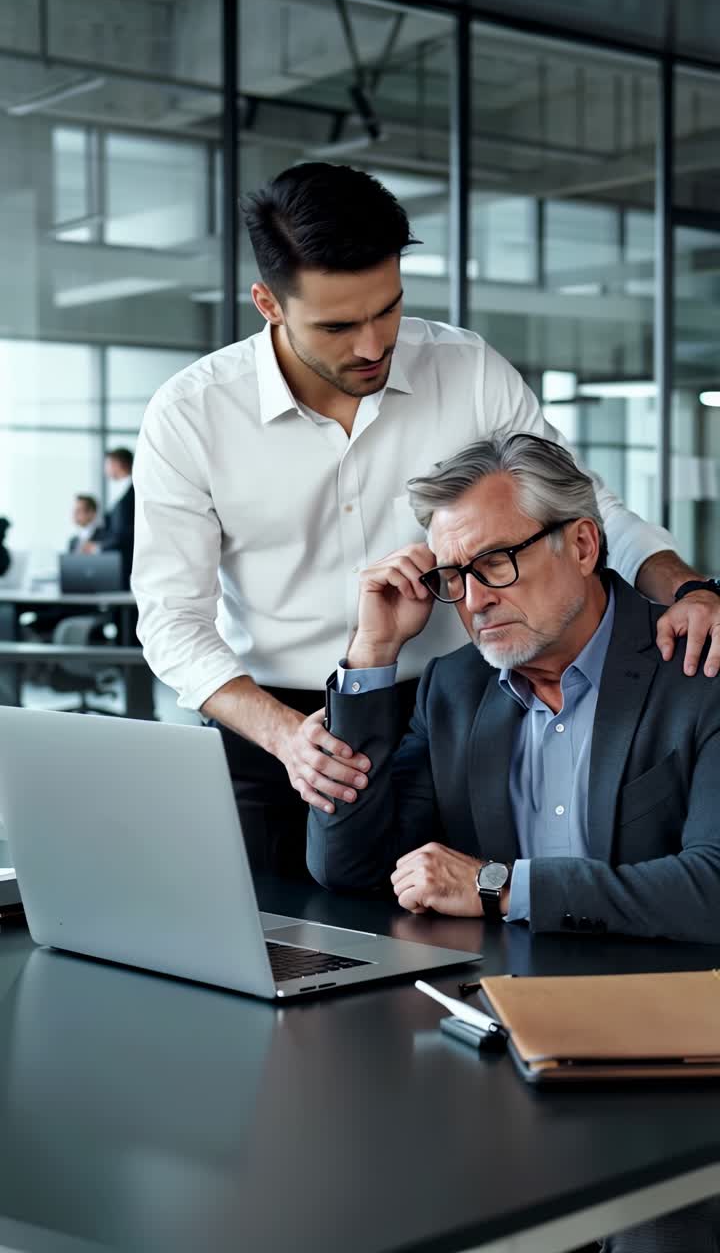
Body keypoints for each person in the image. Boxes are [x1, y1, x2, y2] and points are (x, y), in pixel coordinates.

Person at [131, 161, 720, 878]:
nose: (374, 345)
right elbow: (171, 620)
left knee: (445, 920)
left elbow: (585, 510)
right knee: (269, 946)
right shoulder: (191, 414)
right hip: (268, 727)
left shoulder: (465, 367)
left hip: (449, 713)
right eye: (340, 325)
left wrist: (686, 588)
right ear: (269, 304)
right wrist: (287, 737)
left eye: (389, 309)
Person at [307, 432, 720, 1253]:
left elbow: (713, 889)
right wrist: (372, 657)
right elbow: (346, 864)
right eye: (454, 577)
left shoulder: (696, 662)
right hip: (508, 1032)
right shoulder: (458, 686)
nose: (473, 600)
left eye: (495, 563)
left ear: (581, 541)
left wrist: (501, 885)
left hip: (676, 1050)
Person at [82, 448, 135, 588]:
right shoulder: (122, 492)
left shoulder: (133, 492)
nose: (105, 470)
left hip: (126, 566)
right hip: (118, 564)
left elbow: (124, 533)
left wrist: (97, 547)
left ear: (116, 464)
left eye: (107, 464)